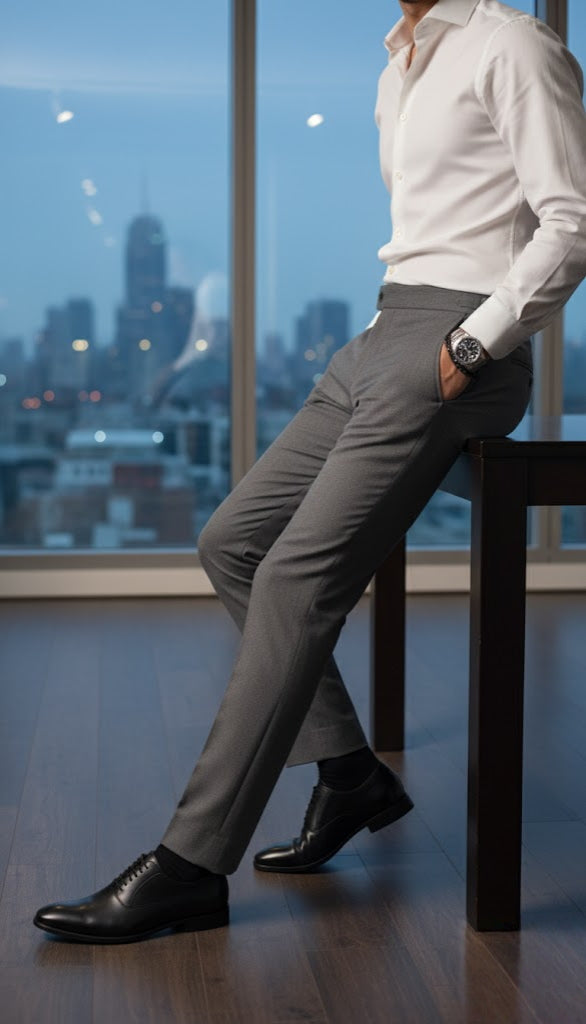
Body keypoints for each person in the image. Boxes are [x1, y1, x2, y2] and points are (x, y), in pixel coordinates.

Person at [34, 0, 586, 944]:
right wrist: (389, 339)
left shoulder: (511, 42)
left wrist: (471, 343)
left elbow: (571, 221)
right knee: (236, 542)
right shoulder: (396, 66)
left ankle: (190, 865)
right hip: (381, 333)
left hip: (457, 344)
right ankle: (349, 776)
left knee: (300, 577)